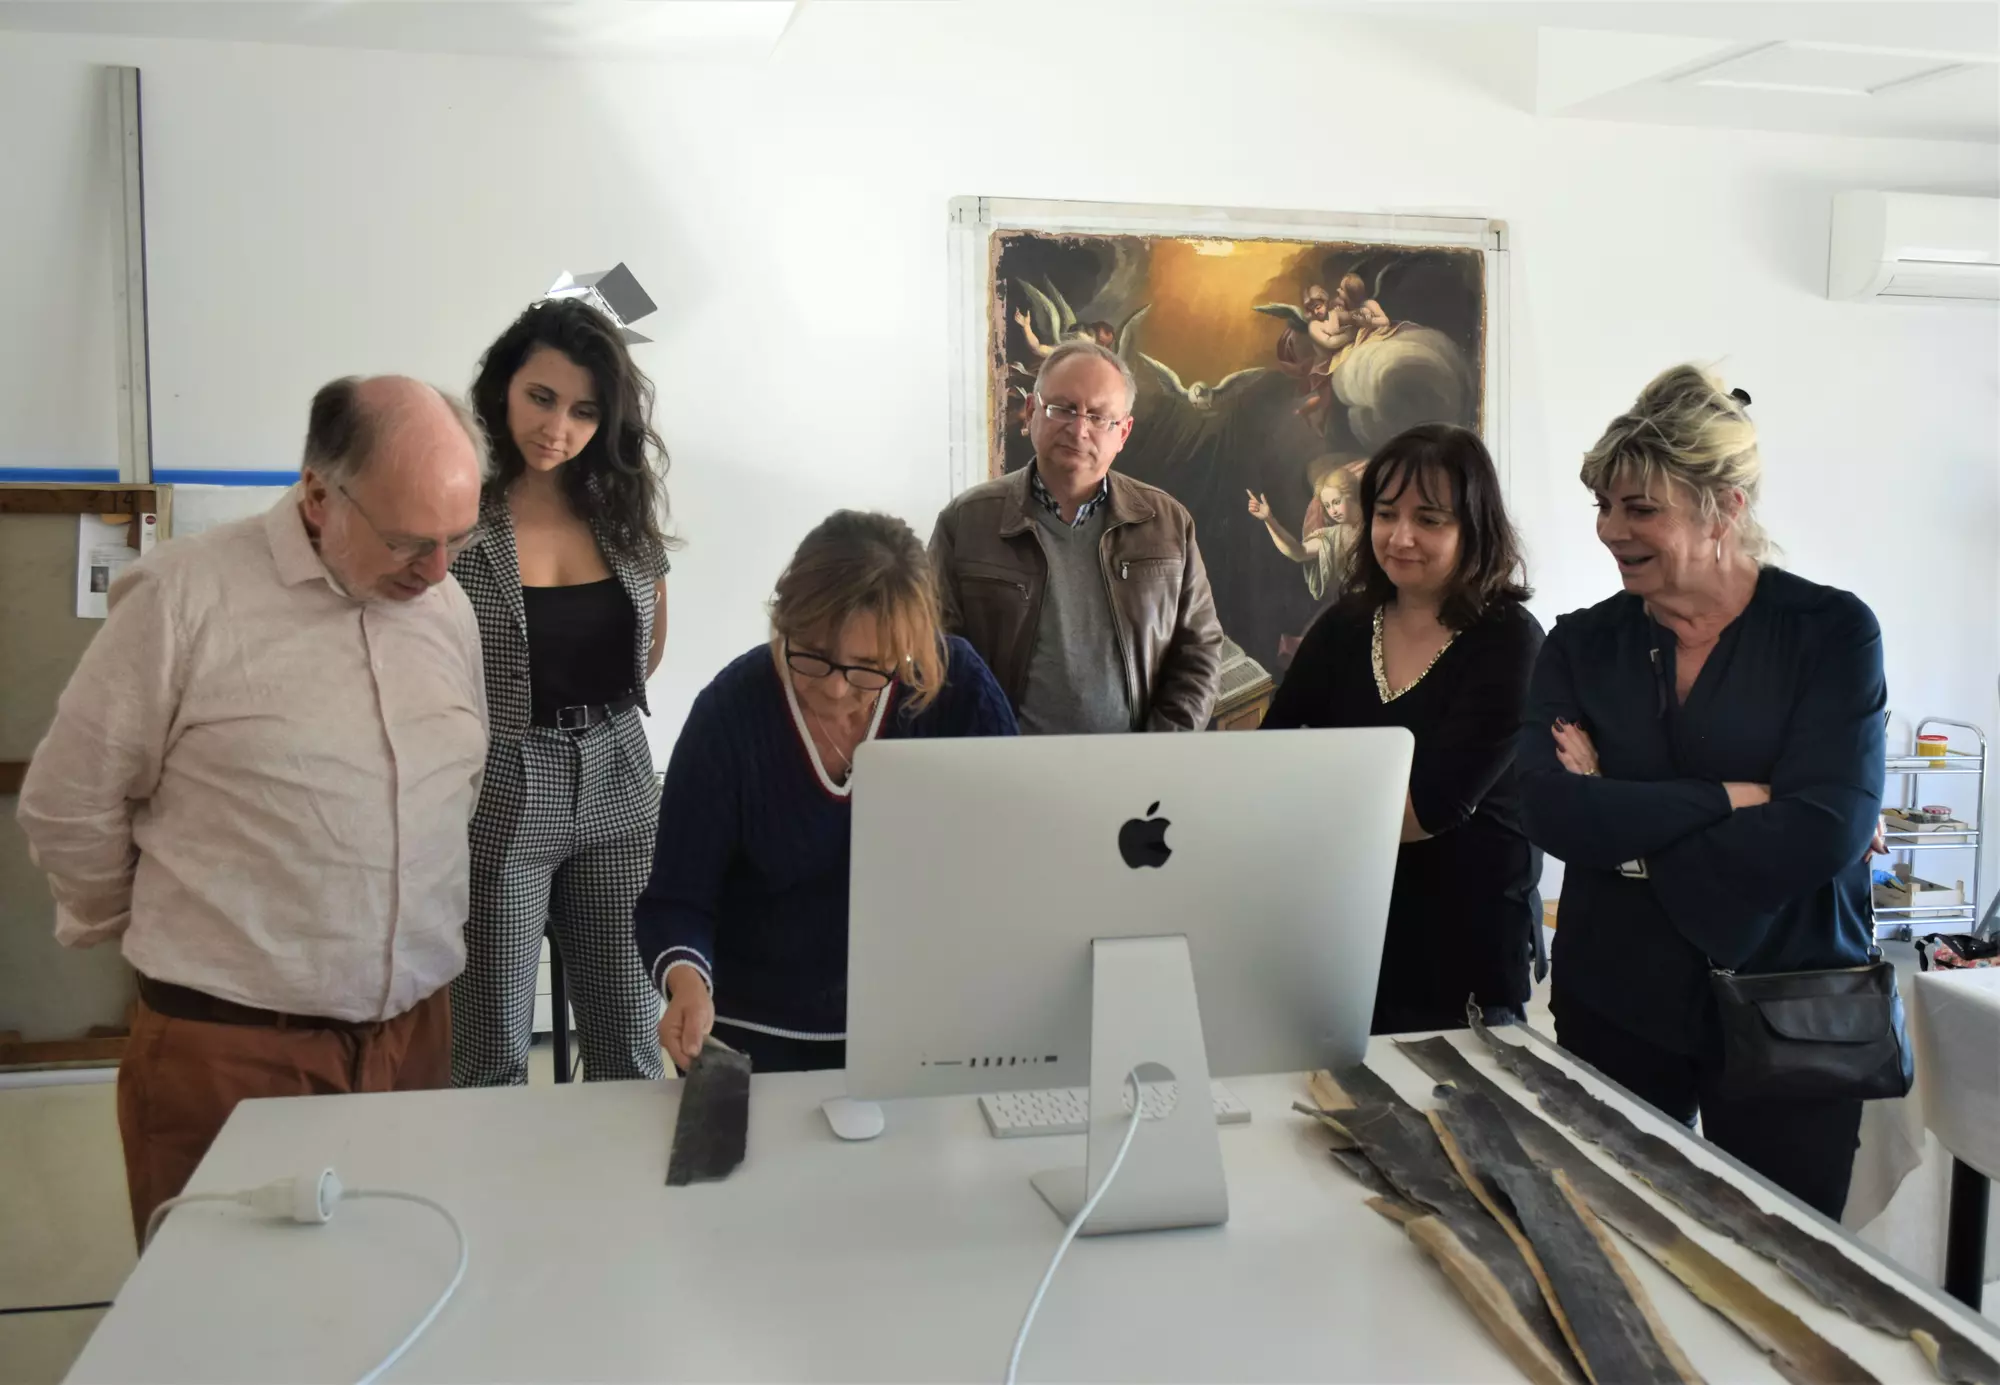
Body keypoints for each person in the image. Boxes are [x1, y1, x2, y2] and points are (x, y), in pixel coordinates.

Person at [16, 377, 489, 1238]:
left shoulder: (448, 607)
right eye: (409, 541)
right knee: (224, 1327)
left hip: (412, 1042)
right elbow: (67, 802)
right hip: (231, 1051)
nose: (438, 570)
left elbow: (458, 785)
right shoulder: (185, 598)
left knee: (394, 1287)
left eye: (459, 537)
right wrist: (172, 929)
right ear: (318, 493)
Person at [1518, 365, 1886, 1219]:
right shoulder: (1583, 645)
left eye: (1640, 508)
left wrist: (1625, 820)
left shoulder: (1829, 633)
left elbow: (1827, 829)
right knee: (1613, 1245)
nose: (1612, 530)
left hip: (1793, 1005)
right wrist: (1729, 797)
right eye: (1603, 506)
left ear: (1723, 506)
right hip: (1618, 1000)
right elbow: (1546, 808)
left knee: (1790, 1265)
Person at [636, 511, 1018, 1074]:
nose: (836, 689)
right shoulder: (731, 714)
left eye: (868, 668)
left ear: (909, 649)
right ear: (783, 618)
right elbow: (677, 900)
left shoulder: (957, 691)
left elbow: (1017, 846)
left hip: (921, 1023)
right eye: (810, 654)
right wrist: (687, 985)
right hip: (756, 1033)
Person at [449, 297, 676, 1087]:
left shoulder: (619, 509)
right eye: (541, 398)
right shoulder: (457, 512)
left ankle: (626, 1210)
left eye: (584, 411)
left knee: (630, 1042)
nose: (558, 428)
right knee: (492, 1048)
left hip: (619, 774)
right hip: (499, 780)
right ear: (504, 388)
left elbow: (650, 638)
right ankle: (497, 1205)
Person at [1262, 423, 1544, 1035]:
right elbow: (1273, 752)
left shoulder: (1509, 641)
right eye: (1386, 514)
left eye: (1431, 519)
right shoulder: (1345, 622)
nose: (1401, 537)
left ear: (1474, 527)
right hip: (1340, 928)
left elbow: (1428, 811)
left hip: (1464, 945)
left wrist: (1299, 803)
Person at [930, 339, 1224, 734]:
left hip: (1132, 777)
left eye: (1099, 417)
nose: (1079, 428)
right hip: (1002, 775)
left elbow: (1199, 652)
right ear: (1032, 412)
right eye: (1063, 409)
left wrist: (1158, 753)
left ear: (1123, 432)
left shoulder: (1168, 524)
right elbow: (934, 654)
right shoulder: (965, 522)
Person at [1247, 455, 1363, 602]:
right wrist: (1269, 520)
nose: (1332, 511)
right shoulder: (1332, 537)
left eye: (1336, 502)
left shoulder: (1378, 519)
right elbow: (1298, 552)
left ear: (1351, 495)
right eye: (1327, 506)